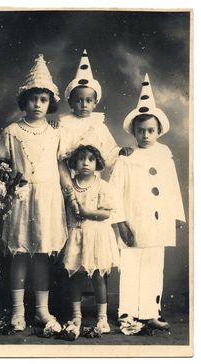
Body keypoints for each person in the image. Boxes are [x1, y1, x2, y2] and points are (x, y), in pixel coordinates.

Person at [0, 54, 67, 334]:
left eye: (44, 100)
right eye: (34, 99)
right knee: (20, 254)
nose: (38, 105)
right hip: (21, 199)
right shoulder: (12, 131)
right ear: (25, 100)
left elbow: (59, 166)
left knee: (41, 256)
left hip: (47, 199)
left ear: (51, 103)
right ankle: (16, 311)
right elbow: (2, 165)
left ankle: (41, 310)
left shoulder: (55, 134)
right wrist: (3, 186)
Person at [110, 74, 186, 335]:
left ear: (158, 131)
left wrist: (177, 214)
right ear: (133, 131)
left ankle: (150, 312)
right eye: (140, 130)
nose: (145, 135)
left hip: (159, 221)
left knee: (155, 266)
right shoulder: (126, 158)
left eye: (150, 130)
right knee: (132, 266)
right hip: (133, 221)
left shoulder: (164, 154)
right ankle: (128, 313)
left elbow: (173, 185)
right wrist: (120, 222)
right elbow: (114, 192)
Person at [58, 49, 132, 213]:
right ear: (70, 103)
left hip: (91, 178)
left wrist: (120, 152)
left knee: (91, 211)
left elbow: (109, 150)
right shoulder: (64, 125)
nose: (84, 105)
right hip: (70, 179)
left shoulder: (99, 126)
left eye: (88, 101)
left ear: (95, 103)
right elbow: (60, 154)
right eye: (79, 100)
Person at [61, 145, 119, 339]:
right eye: (81, 159)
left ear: (97, 163)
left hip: (96, 236)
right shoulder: (69, 186)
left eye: (91, 159)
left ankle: (102, 317)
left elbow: (105, 213)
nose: (86, 163)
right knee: (75, 276)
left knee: (98, 276)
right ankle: (76, 315)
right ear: (74, 163)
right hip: (76, 235)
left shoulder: (102, 185)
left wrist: (86, 213)